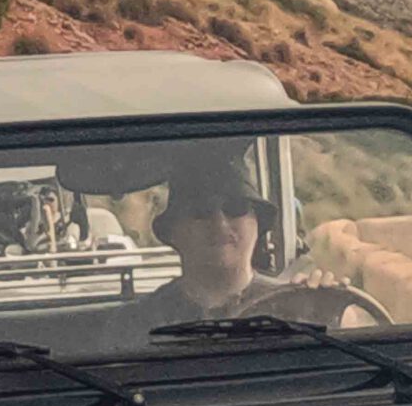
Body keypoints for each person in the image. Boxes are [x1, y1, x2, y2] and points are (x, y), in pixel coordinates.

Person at [92, 142, 335, 348]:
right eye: (201, 211)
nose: (220, 223)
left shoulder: (298, 310)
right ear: (174, 230)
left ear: (257, 224)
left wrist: (330, 316)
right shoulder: (133, 324)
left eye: (236, 208)